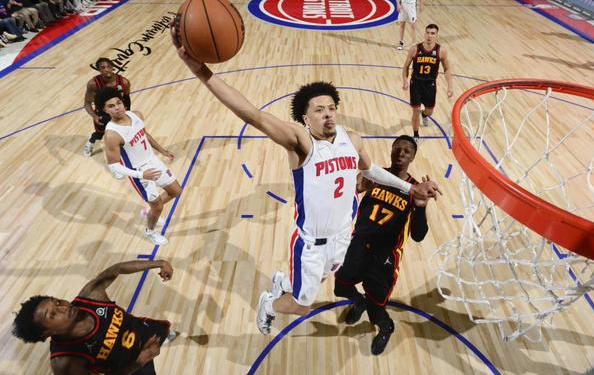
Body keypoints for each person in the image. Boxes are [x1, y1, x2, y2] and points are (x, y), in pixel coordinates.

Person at [170, 22, 440, 335]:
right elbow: (252, 115)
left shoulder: (351, 139)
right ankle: (269, 303)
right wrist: (201, 70)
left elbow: (370, 170)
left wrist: (410, 188)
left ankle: (284, 282)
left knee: (320, 278)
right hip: (311, 243)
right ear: (305, 118)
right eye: (319, 110)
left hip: (343, 237)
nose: (328, 114)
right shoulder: (301, 142)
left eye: (331, 108)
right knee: (301, 304)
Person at [334, 135, 429, 355]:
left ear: (413, 157)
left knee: (376, 311)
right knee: (341, 287)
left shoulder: (415, 189)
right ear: (391, 150)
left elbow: (418, 235)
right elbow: (346, 196)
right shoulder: (374, 175)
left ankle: (386, 327)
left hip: (384, 256)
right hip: (358, 243)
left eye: (407, 151)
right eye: (398, 148)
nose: (401, 153)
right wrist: (354, 188)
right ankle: (359, 301)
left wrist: (421, 207)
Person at [12, 259, 177, 374]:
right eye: (53, 314)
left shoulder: (90, 296)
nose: (64, 307)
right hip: (131, 368)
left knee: (163, 331)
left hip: (143, 331)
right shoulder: (65, 363)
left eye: (57, 302)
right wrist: (139, 362)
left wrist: (160, 263)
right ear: (47, 333)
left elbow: (116, 269)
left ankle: (163, 339)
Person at [97, 87, 182, 245]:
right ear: (105, 110)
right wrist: (142, 175)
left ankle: (149, 210)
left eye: (118, 103)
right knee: (158, 207)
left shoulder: (136, 115)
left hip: (153, 161)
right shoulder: (112, 134)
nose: (117, 108)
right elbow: (113, 165)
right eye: (111, 106)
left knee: (176, 190)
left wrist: (162, 151)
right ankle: (150, 232)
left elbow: (144, 134)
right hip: (139, 171)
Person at [401, 23, 454, 142]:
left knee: (430, 111)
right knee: (415, 111)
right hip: (416, 84)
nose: (429, 36)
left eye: (432, 33)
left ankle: (424, 114)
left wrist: (450, 86)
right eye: (427, 33)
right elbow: (405, 67)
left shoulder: (441, 51)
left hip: (430, 85)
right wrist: (405, 80)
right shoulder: (415, 49)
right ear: (424, 33)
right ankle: (415, 135)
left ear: (436, 35)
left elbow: (447, 69)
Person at [83, 57, 132, 157]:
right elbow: (87, 103)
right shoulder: (93, 84)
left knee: (124, 131)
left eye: (108, 66)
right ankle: (90, 142)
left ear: (112, 67)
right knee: (99, 134)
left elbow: (127, 98)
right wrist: (95, 116)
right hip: (102, 114)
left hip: (118, 112)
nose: (106, 69)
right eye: (103, 67)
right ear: (99, 70)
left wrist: (128, 112)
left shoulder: (124, 82)